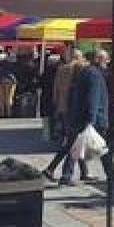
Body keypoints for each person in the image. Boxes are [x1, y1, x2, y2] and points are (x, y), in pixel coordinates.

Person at [62, 50, 114, 186]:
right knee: (101, 146)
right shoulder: (95, 75)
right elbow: (93, 97)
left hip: (84, 116)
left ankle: (67, 175)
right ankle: (110, 173)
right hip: (95, 118)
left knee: (78, 145)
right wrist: (91, 120)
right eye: (106, 59)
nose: (108, 62)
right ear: (98, 59)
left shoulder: (87, 72)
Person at [42, 50, 88, 183]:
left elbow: (55, 89)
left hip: (62, 108)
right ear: (78, 57)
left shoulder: (61, 69)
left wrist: (57, 105)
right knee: (73, 141)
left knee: (74, 140)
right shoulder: (78, 69)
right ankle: (55, 170)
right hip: (72, 108)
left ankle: (84, 171)